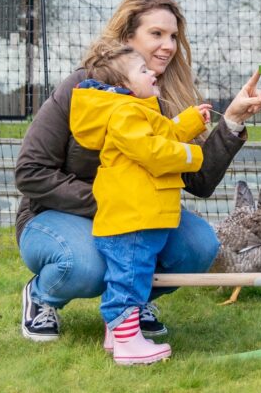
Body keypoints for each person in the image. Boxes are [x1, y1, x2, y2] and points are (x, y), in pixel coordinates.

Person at [15, 0, 261, 343]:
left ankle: (130, 307)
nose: (168, 45)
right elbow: (30, 172)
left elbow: (199, 180)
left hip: (134, 212)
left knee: (199, 245)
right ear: (127, 37)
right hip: (56, 213)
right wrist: (113, 201)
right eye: (156, 34)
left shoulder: (159, 95)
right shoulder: (81, 89)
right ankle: (42, 296)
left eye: (174, 36)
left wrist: (232, 122)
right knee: (87, 264)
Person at [70, 40, 211, 364]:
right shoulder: (125, 114)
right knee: (130, 278)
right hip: (133, 216)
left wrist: (190, 122)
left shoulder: (136, 111)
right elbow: (155, 152)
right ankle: (128, 343)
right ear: (123, 86)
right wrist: (194, 154)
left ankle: (116, 335)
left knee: (130, 274)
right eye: (143, 70)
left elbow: (161, 134)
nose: (152, 73)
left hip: (140, 214)